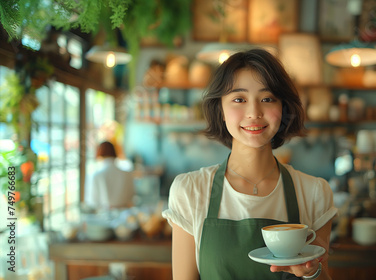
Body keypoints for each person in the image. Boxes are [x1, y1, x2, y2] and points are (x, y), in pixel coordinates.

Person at [163, 49, 337, 279]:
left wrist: (312, 272)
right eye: (239, 99)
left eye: (267, 99)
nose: (254, 112)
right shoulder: (190, 191)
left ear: (283, 108)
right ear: (221, 110)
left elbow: (321, 275)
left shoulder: (314, 193)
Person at [85, 141, 135, 209]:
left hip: (104, 216)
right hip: (125, 214)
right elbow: (132, 195)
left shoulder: (97, 176)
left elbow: (92, 202)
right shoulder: (127, 174)